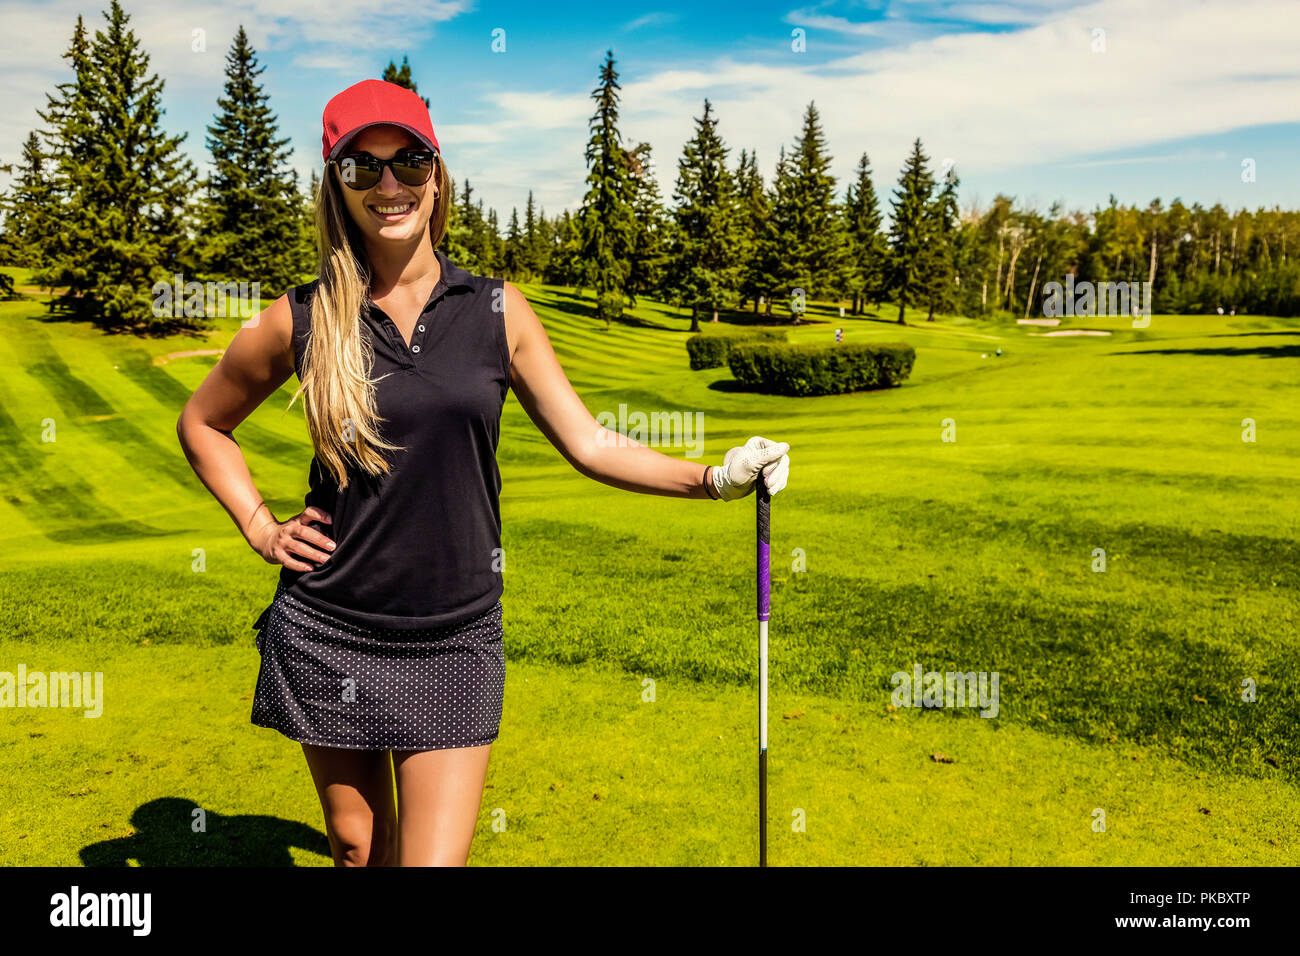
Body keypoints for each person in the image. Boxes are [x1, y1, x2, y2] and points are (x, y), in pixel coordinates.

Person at [175, 79, 791, 867]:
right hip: (330, 626)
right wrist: (260, 526)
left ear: (439, 173)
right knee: (359, 849)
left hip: (453, 636)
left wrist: (715, 477)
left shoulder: (499, 311)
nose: (389, 185)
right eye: (362, 169)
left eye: (408, 161)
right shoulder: (299, 317)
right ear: (336, 184)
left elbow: (591, 443)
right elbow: (204, 423)